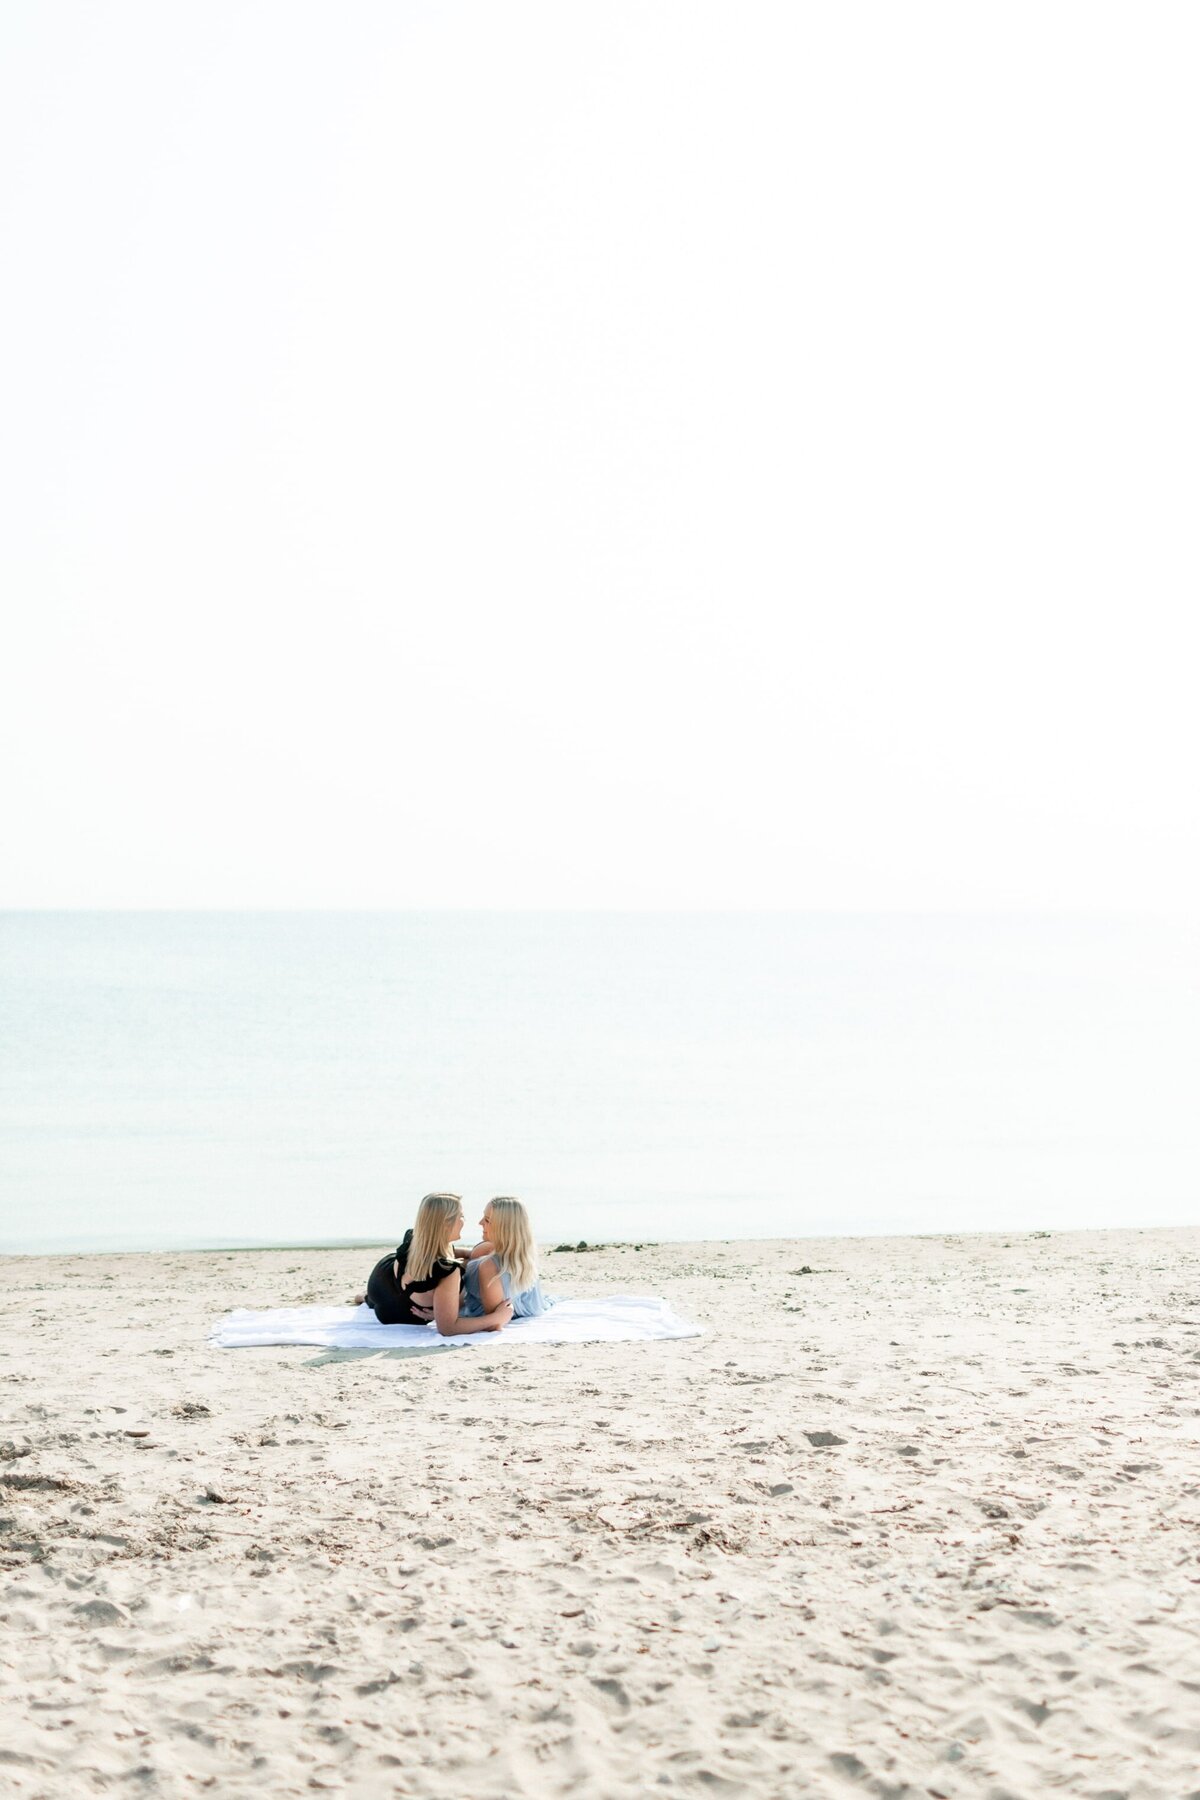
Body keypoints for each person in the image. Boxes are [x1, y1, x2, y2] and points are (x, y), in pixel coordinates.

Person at [363, 1193, 512, 1335]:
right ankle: (364, 1298)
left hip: (381, 1281)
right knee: (463, 1270)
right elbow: (448, 1328)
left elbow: (441, 1253)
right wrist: (496, 1318)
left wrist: (470, 1254)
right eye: (461, 1216)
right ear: (447, 1223)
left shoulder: (415, 1238)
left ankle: (364, 1297)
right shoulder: (447, 1271)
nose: (464, 1220)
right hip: (400, 1314)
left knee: (465, 1263)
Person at [460, 1196, 554, 1319]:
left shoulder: (489, 1265)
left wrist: (446, 1315)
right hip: (528, 1310)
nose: (480, 1222)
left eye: (487, 1220)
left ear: (503, 1227)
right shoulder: (524, 1256)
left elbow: (495, 1320)